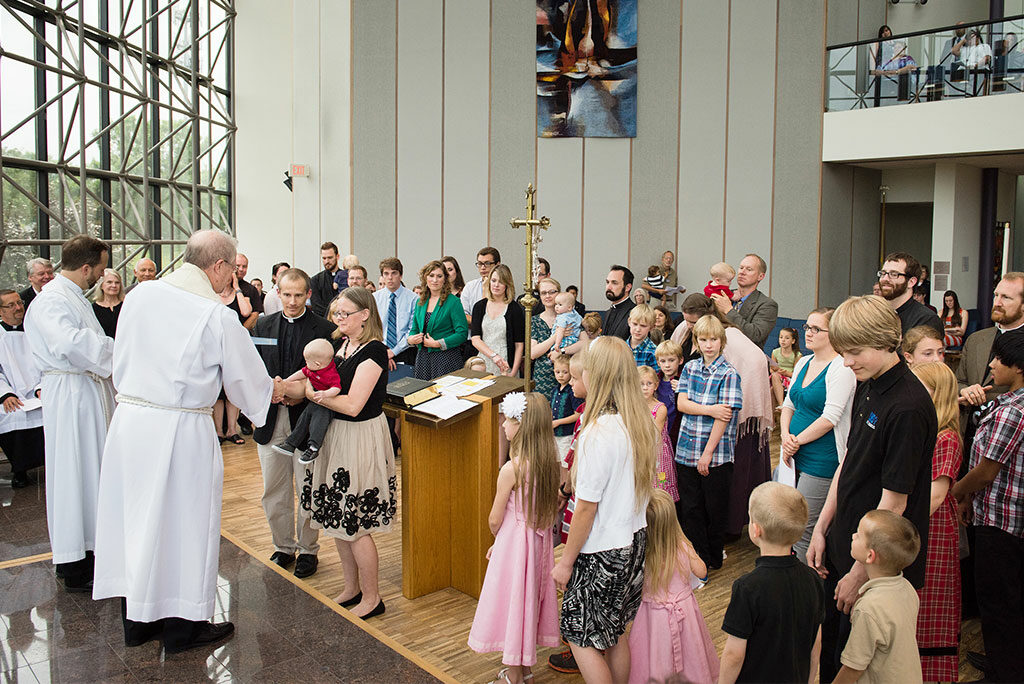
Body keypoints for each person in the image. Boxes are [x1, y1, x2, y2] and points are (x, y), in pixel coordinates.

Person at [92, 229, 274, 653]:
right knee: (185, 524)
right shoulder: (215, 315)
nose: (231, 280)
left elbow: (121, 354)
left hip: (131, 422)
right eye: (231, 269)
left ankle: (137, 622)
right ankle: (182, 628)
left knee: (137, 521)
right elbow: (248, 382)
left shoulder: (140, 296)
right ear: (218, 266)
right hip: (180, 430)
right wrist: (274, 392)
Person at [806, 295, 936, 682]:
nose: (847, 362)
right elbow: (850, 461)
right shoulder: (870, 381)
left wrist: (862, 570)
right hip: (852, 544)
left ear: (886, 341)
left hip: (877, 564)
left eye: (855, 352)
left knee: (860, 666)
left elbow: (893, 505)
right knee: (831, 652)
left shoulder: (908, 406)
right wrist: (822, 525)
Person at [551, 336, 656, 684]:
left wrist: (566, 562)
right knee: (616, 633)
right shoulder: (638, 421)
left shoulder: (599, 431)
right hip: (634, 539)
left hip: (602, 549)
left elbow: (586, 508)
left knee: (581, 638)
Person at [24, 235, 114, 592]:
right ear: (87, 267)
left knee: (89, 470)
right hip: (71, 394)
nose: (102, 276)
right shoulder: (52, 300)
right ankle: (73, 558)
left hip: (85, 391)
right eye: (101, 268)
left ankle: (90, 548)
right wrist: (116, 350)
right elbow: (70, 343)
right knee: (73, 472)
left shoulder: (72, 297)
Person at [300, 287, 396, 619]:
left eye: (345, 314)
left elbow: (355, 405)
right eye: (336, 314)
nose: (338, 319)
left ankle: (372, 597)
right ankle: (351, 587)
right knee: (338, 516)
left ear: (365, 315)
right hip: (337, 435)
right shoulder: (343, 345)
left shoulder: (375, 351)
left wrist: (316, 398)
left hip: (359, 436)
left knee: (356, 523)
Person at [467, 392, 561, 684]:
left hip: (514, 543)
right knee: (528, 600)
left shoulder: (512, 469)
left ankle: (516, 676)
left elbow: (495, 517)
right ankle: (525, 669)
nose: (503, 426)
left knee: (512, 604)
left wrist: (498, 536)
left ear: (522, 425)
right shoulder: (551, 462)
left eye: (507, 420)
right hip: (538, 540)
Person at [950, 331, 1024, 683]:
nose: (991, 365)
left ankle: (1005, 671)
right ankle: (1000, 660)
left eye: (999, 360)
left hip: (1002, 523)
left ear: (1018, 368)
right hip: (994, 516)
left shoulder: (1015, 411)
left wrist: (956, 491)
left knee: (1000, 602)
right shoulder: (1007, 400)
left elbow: (984, 472)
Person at [672, 293, 774, 539]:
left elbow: (756, 361)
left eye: (694, 323)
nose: (689, 327)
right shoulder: (685, 331)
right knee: (689, 488)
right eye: (686, 322)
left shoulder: (730, 336)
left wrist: (725, 406)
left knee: (713, 488)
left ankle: (713, 537)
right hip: (689, 422)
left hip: (718, 427)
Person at [252, 268, 332, 578]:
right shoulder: (262, 324)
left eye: (299, 295)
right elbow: (254, 366)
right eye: (287, 294)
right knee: (274, 488)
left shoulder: (323, 328)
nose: (293, 301)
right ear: (278, 292)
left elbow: (328, 375)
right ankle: (283, 546)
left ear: (308, 294)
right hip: (270, 418)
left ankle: (309, 549)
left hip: (307, 418)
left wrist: (302, 395)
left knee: (308, 486)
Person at [719, 482, 824, 684]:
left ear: (756, 530)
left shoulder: (747, 588)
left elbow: (734, 655)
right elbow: (816, 641)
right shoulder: (813, 579)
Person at [780, 308, 856, 563]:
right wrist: (785, 438)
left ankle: (806, 590)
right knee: (788, 521)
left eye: (816, 329)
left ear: (833, 333)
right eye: (807, 328)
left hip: (821, 458)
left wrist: (796, 440)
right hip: (793, 453)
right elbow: (788, 405)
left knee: (805, 529)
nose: (809, 333)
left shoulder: (841, 367)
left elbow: (829, 418)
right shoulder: (803, 362)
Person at [628, 489, 717, 684]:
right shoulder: (683, 546)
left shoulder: (642, 556)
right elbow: (702, 572)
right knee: (691, 655)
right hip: (685, 614)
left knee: (654, 657)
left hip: (652, 617)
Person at [675, 314, 743, 569]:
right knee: (691, 509)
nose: (708, 345)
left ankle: (713, 557)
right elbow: (682, 404)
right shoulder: (690, 368)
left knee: (714, 509)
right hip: (686, 450)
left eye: (713, 339)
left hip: (714, 455)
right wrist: (710, 409)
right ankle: (698, 560)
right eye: (703, 339)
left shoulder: (729, 374)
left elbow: (724, 417)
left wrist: (707, 454)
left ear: (721, 341)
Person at [910, 361, 963, 684]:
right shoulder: (926, 431)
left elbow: (935, 496)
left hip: (934, 529)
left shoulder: (946, 439)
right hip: (919, 524)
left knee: (932, 595)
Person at [834, 511, 923, 684]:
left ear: (870, 555)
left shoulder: (868, 608)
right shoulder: (907, 588)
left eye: (859, 535)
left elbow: (854, 667)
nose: (853, 536)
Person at [956, 273, 1024, 433]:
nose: (997, 303)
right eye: (996, 295)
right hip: (966, 433)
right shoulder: (976, 339)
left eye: (1006, 297)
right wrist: (965, 391)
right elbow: (959, 380)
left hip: (1007, 437)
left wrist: (985, 396)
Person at [270, 339, 341, 464]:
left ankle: (313, 448)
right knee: (304, 419)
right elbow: (300, 374)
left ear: (318, 364)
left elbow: (337, 387)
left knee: (318, 424)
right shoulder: (312, 368)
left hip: (326, 404)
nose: (306, 364)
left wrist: (325, 394)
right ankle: (291, 444)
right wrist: (285, 382)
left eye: (307, 361)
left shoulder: (330, 373)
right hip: (315, 401)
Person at [0, 290, 44, 488]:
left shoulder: (34, 330)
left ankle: (49, 462)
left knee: (49, 408)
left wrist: (40, 387)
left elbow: (46, 362)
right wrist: (6, 394)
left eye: (19, 302)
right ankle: (20, 470)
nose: (18, 308)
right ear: (1, 311)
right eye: (11, 305)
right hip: (11, 393)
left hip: (38, 389)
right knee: (12, 414)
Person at [408, 260, 469, 380]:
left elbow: (462, 333)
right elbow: (414, 329)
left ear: (445, 279)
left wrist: (438, 343)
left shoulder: (453, 302)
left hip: (446, 358)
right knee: (423, 395)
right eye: (431, 276)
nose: (435, 280)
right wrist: (411, 339)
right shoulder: (420, 302)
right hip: (423, 358)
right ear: (425, 278)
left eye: (439, 276)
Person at [710, 254, 779, 349]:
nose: (742, 272)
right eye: (741, 268)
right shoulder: (723, 295)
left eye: (749, 269)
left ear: (760, 276)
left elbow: (755, 335)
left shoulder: (767, 305)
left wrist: (729, 310)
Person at [470, 263, 525, 377]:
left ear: (507, 284)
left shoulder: (515, 308)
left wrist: (513, 372)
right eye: (493, 280)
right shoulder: (479, 306)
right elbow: (475, 339)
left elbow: (519, 344)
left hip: (505, 362)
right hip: (483, 361)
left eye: (501, 282)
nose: (496, 285)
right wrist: (493, 356)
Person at [877, 252, 943, 339]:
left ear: (911, 282)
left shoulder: (926, 319)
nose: (885, 279)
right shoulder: (875, 314)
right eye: (883, 273)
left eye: (894, 274)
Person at [638, 365, 678, 502]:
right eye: (641, 384)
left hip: (656, 453)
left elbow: (654, 433)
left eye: (649, 384)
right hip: (639, 451)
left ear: (655, 386)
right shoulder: (635, 407)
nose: (644, 388)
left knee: (658, 489)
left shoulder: (660, 408)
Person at [374, 258, 418, 369]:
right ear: (382, 276)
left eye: (394, 273)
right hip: (379, 351)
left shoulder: (413, 299)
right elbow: (372, 328)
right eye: (386, 273)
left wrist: (393, 352)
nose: (390, 277)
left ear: (401, 275)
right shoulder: (374, 298)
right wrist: (384, 353)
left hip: (405, 352)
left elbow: (412, 329)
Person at [551, 354, 581, 466]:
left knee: (565, 462)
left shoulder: (573, 391)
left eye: (565, 372)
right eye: (557, 372)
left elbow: (577, 415)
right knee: (555, 460)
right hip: (554, 433)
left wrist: (558, 422)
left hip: (567, 434)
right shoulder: (554, 390)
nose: (561, 375)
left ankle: (564, 482)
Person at [655, 339, 683, 448]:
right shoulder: (656, 380)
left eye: (671, 360)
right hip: (659, 428)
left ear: (680, 360)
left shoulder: (683, 380)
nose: (667, 365)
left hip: (675, 430)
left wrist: (682, 389)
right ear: (658, 362)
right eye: (663, 361)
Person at [461, 247, 501, 321]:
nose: (483, 267)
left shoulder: (503, 286)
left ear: (497, 264)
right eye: (480, 263)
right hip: (474, 331)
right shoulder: (470, 286)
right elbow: (462, 315)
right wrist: (479, 323)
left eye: (487, 263)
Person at [769, 327, 801, 407]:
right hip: (777, 378)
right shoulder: (775, 352)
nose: (783, 340)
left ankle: (781, 405)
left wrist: (786, 373)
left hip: (790, 379)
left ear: (793, 341)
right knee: (772, 385)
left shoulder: (797, 355)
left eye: (787, 338)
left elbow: (796, 374)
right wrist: (776, 371)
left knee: (773, 389)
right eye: (781, 337)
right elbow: (771, 369)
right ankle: (774, 415)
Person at [602, 265, 635, 341]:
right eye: (607, 282)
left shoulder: (635, 313)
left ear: (627, 287)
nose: (609, 287)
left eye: (614, 283)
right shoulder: (608, 312)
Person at [310, 242, 341, 318]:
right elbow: (316, 306)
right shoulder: (315, 280)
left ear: (337, 256)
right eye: (324, 258)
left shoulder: (346, 277)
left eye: (330, 258)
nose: (327, 261)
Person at [91, 268, 125, 338]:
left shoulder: (126, 306)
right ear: (101, 285)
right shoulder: (93, 309)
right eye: (109, 282)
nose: (114, 285)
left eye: (117, 282)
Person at [234, 253, 264, 322]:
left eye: (244, 266)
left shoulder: (251, 289)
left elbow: (255, 314)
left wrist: (242, 331)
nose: (241, 269)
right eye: (238, 266)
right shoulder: (221, 286)